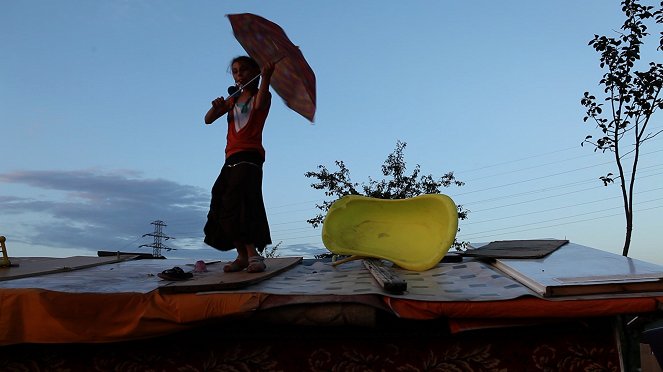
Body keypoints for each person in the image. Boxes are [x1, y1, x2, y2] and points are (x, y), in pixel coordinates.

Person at [203, 56, 275, 273]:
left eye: (244, 70)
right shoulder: (233, 99)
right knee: (222, 203)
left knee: (241, 202)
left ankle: (254, 255)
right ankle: (242, 255)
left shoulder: (261, 95)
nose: (239, 74)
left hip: (250, 157)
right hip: (231, 158)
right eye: (235, 71)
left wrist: (267, 77)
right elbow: (207, 119)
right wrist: (216, 107)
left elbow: (261, 103)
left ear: (255, 72)